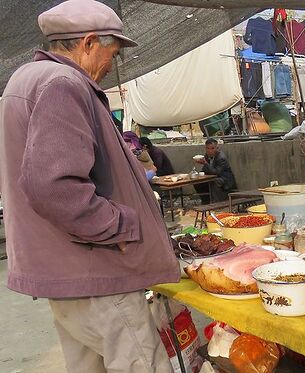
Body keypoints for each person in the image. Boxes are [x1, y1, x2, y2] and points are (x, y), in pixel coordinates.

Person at [0, 1, 179, 372]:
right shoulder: (63, 83)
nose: (111, 65)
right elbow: (53, 186)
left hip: (65, 273)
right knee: (142, 364)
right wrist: (120, 227)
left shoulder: (26, 78)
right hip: (97, 275)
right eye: (111, 53)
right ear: (88, 42)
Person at [193, 138, 238, 204]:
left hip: (224, 178)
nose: (210, 151)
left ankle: (216, 203)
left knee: (214, 182)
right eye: (207, 148)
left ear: (217, 148)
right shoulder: (206, 156)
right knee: (197, 182)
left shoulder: (221, 158)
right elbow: (206, 170)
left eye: (212, 148)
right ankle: (206, 201)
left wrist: (205, 163)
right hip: (213, 176)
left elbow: (217, 172)